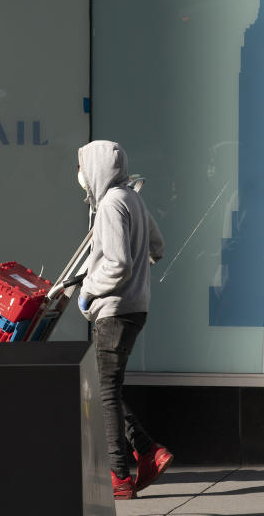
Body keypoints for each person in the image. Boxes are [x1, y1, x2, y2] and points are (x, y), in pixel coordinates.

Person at [75, 140, 173, 500]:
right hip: (135, 308)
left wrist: (90, 289)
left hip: (114, 311)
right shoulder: (131, 198)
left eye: (82, 168)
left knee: (103, 394)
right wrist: (136, 279)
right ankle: (148, 451)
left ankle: (120, 476)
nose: (81, 177)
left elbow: (116, 264)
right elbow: (156, 246)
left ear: (95, 170)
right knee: (108, 388)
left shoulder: (111, 206)